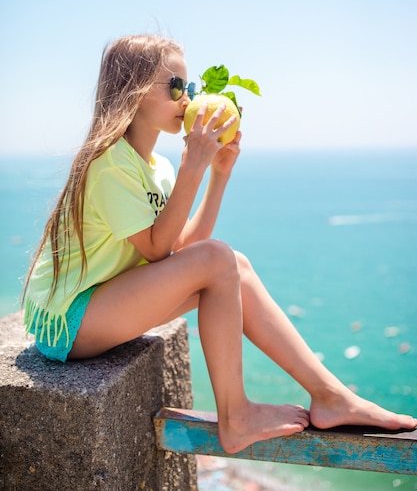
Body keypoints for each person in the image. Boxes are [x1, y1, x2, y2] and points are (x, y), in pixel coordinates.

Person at [23, 34, 416, 454]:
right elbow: (158, 252)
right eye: (176, 87)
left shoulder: (157, 167)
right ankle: (235, 417)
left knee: (235, 266)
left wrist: (217, 173)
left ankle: (331, 395)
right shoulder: (109, 161)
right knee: (218, 259)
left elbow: (184, 248)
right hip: (69, 323)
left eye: (189, 89)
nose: (188, 98)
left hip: (101, 308)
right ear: (133, 94)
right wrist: (194, 164)